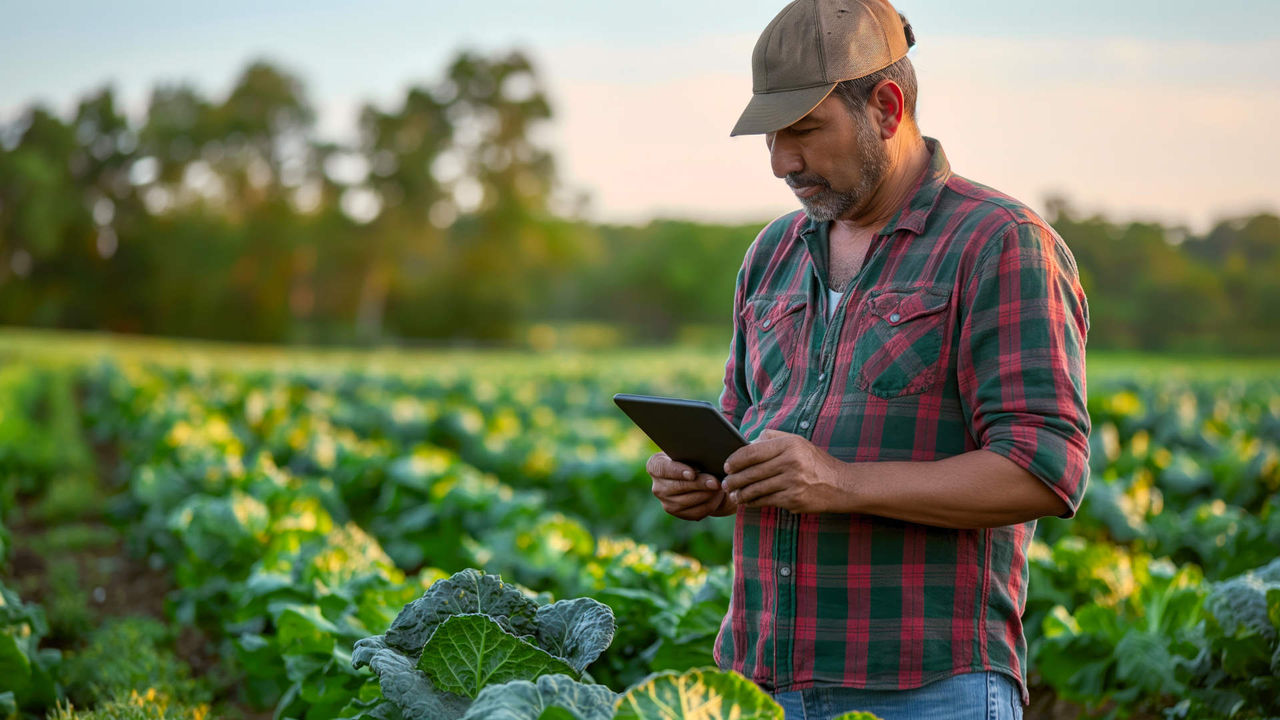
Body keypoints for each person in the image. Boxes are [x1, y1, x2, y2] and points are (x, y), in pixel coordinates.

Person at [645, 1, 1091, 718]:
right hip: (757, 682)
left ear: (886, 107)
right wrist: (708, 482)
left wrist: (841, 481)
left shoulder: (999, 241)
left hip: (926, 689)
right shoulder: (773, 253)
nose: (781, 162)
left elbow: (1045, 469)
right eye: (771, 138)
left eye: (805, 131)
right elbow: (743, 430)